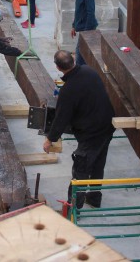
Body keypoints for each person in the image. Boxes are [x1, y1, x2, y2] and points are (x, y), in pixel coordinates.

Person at [43, 50, 115, 209]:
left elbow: (61, 119)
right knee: (97, 165)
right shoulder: (89, 71)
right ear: (73, 60)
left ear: (58, 67)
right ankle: (95, 199)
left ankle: (74, 208)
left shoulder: (68, 90)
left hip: (91, 133)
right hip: (107, 126)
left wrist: (50, 139)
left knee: (81, 170)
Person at [67, 0, 98, 66]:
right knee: (80, 54)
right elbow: (78, 12)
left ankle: (81, 74)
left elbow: (90, 12)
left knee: (80, 56)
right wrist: (74, 26)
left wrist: (86, 32)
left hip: (87, 30)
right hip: (82, 29)